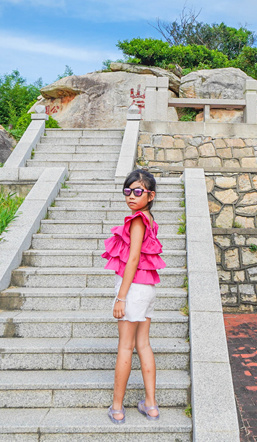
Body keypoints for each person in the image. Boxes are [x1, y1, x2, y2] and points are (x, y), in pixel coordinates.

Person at [101, 168, 166, 424]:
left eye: (138, 191)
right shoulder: (149, 219)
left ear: (150, 195)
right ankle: (151, 406)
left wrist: (121, 297)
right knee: (144, 345)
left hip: (134, 289)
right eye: (128, 190)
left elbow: (134, 259)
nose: (131, 196)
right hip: (147, 289)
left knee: (126, 347)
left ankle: (117, 407)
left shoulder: (137, 220)